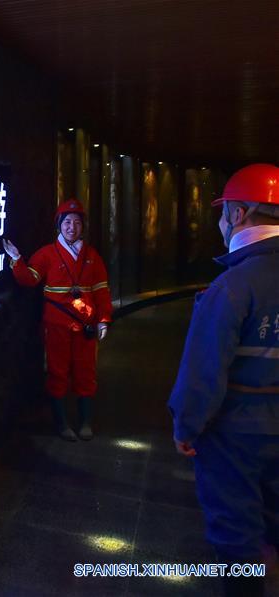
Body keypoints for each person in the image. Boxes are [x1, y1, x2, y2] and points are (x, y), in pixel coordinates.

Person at [169, 163, 279, 597]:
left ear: (239, 214)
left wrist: (187, 426)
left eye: (223, 212)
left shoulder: (233, 286)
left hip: (235, 433)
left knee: (238, 542)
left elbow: (203, 373)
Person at [2, 199, 112, 441]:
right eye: (67, 222)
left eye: (76, 222)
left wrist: (103, 319)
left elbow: (101, 290)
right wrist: (17, 259)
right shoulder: (47, 253)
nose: (72, 227)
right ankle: (62, 424)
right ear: (59, 225)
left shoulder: (92, 256)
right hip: (56, 324)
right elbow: (29, 279)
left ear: (83, 226)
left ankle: (85, 422)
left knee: (86, 371)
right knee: (57, 371)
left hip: (86, 325)